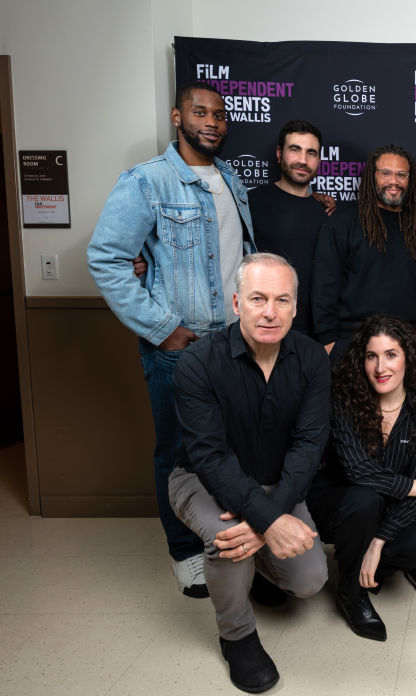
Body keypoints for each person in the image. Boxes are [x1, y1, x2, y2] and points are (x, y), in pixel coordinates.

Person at [87, 80, 254, 598]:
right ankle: (185, 552)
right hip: (181, 348)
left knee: (231, 450)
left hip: (235, 344)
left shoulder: (231, 180)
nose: (212, 122)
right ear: (177, 117)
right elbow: (106, 258)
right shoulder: (147, 182)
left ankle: (231, 540)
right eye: (200, 112)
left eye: (220, 115)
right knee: (178, 453)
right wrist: (162, 328)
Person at [167, 253, 330, 693]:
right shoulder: (198, 363)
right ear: (237, 302)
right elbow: (211, 459)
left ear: (296, 307)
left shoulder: (313, 359)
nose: (270, 312)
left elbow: (308, 446)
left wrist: (269, 518)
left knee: (310, 578)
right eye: (258, 298)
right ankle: (236, 636)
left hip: (278, 481)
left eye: (282, 300)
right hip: (200, 480)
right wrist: (266, 521)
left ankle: (257, 568)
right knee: (229, 539)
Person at [305, 315, 416, 642]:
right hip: (337, 502)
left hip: (384, 508)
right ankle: (351, 593)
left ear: (407, 359)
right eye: (372, 356)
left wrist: (378, 541)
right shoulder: (345, 399)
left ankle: (366, 562)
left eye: (391, 355)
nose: (380, 367)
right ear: (362, 361)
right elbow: (358, 471)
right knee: (364, 498)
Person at [312, 144, 416, 363]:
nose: (393, 181)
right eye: (385, 173)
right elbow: (324, 285)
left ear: (410, 180)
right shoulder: (344, 221)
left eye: (401, 174)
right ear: (371, 176)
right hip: (353, 344)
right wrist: (329, 342)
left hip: (406, 347)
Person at [248, 119, 333, 336]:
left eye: (311, 153)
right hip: (264, 325)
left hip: (314, 333)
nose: (303, 160)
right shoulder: (250, 203)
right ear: (279, 154)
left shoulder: (328, 211)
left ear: (319, 159)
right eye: (295, 150)